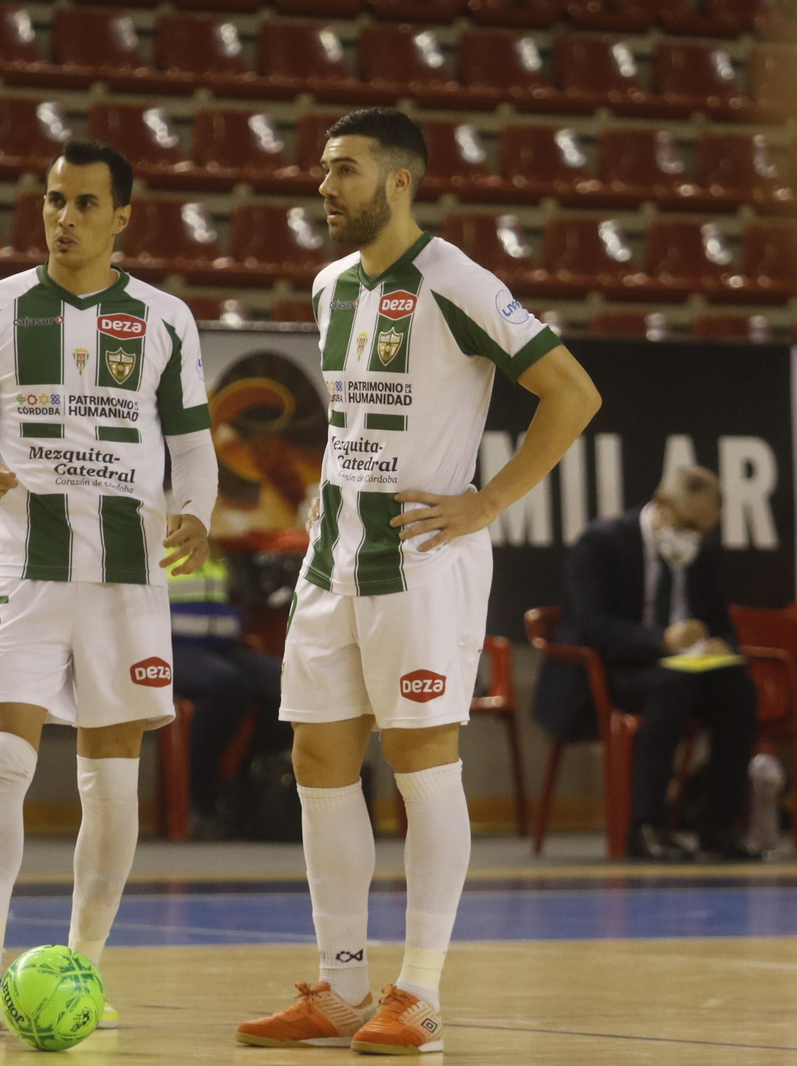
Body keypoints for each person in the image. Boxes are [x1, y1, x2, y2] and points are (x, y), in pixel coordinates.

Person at [234, 108, 601, 1054]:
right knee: (320, 764)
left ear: (399, 181)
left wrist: (489, 501)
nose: (323, 187)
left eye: (344, 170)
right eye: (322, 169)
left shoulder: (457, 281)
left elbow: (573, 391)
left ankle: (422, 993)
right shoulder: (327, 287)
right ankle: (343, 992)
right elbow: (360, 416)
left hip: (423, 560)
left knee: (420, 765)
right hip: (334, 559)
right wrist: (323, 491)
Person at [0, 141, 219, 1032]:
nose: (65, 217)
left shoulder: (165, 319)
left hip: (129, 576)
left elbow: (193, 449)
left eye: (86, 203)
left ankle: (82, 968)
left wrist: (194, 511)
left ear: (122, 217)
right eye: (54, 200)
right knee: (2, 755)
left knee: (111, 786)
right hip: (24, 564)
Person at [531, 465, 761, 862]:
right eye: (688, 525)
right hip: (615, 669)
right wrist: (661, 641)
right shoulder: (600, 543)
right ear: (661, 504)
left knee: (738, 689)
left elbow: (721, 622)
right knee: (672, 685)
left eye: (703, 530)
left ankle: (718, 825)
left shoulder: (701, 553)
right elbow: (590, 625)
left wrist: (721, 647)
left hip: (683, 670)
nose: (694, 537)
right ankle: (646, 827)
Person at [168, 551, 290, 837]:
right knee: (226, 685)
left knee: (285, 684)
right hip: (170, 648)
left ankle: (250, 784)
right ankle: (203, 791)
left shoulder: (213, 551)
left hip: (224, 647)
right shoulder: (150, 542)